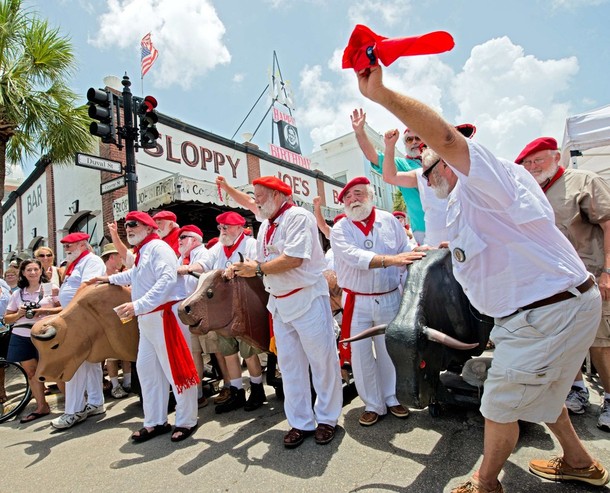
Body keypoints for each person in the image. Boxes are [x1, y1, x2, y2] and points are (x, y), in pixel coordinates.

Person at [355, 63, 608, 491]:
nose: (426, 176)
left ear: (447, 163)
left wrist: (382, 96)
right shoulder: (463, 200)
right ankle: (579, 460)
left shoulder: (481, 177)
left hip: (544, 315)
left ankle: (485, 482)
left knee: (498, 405)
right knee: (545, 393)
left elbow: (448, 140)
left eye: (429, 167)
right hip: (541, 313)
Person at [217, 175, 343, 449]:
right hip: (280, 302)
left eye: (260, 195)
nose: (256, 200)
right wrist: (227, 189)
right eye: (255, 195)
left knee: (322, 362)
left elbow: (295, 258)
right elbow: (251, 211)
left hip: (307, 298)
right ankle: (300, 422)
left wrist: (258, 269)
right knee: (290, 366)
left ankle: (327, 419)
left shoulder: (299, 216)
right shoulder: (266, 224)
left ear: (278, 195)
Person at [516, 136, 610, 431]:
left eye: (538, 160)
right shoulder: (528, 192)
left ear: (557, 158)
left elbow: (608, 223)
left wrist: (608, 270)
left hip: (590, 278)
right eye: (527, 163)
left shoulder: (583, 181)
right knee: (564, 342)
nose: (532, 166)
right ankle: (577, 390)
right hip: (550, 285)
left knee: (600, 343)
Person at [93, 211, 199, 443]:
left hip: (164, 317)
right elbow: (137, 275)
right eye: (127, 225)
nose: (129, 228)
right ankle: (155, 421)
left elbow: (167, 279)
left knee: (176, 371)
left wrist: (138, 304)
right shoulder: (144, 251)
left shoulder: (158, 248)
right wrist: (109, 279)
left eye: (134, 225)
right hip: (149, 319)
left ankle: (187, 420)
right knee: (148, 372)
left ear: (150, 228)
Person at [331, 177, 424, 426]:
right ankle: (372, 404)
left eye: (359, 194)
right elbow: (353, 256)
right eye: (348, 197)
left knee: (389, 351)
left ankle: (392, 398)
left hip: (389, 296)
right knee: (361, 356)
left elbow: (406, 250)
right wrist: (390, 260)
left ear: (370, 196)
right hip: (357, 300)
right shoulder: (340, 228)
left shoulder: (389, 220)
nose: (353, 200)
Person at [196, 212, 266, 414]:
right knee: (228, 352)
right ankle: (236, 391)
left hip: (245, 307)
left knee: (248, 352)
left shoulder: (251, 244)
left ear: (238, 227)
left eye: (225, 227)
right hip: (224, 311)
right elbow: (204, 264)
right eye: (220, 227)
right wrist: (187, 268)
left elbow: (257, 266)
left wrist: (236, 268)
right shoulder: (218, 248)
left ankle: (257, 389)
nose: (222, 230)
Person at [51, 233, 107, 430]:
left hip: (81, 318)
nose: (66, 249)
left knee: (74, 362)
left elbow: (87, 287)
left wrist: (68, 311)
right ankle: (95, 402)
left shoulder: (90, 260)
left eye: (70, 245)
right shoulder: (74, 263)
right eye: (65, 246)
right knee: (89, 362)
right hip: (77, 317)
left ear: (83, 244)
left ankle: (73, 410)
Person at [174, 224, 231, 408]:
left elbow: (202, 266)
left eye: (183, 237)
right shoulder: (180, 257)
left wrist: (187, 268)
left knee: (217, 350)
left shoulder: (202, 252)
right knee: (194, 353)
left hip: (206, 310)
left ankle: (230, 385)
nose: (179, 240)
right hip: (189, 311)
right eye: (179, 237)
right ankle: (197, 392)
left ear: (194, 239)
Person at [351, 107, 426, 244]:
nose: (414, 141)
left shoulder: (436, 160)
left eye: (418, 138)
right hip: (424, 230)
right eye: (409, 139)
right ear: (405, 144)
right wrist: (360, 132)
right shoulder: (402, 164)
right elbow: (372, 156)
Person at [4, 259, 61, 423]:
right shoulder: (17, 293)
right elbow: (7, 319)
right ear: (22, 273)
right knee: (31, 373)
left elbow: (63, 308)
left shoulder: (50, 288)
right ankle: (42, 406)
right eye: (29, 270)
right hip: (21, 336)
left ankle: (72, 407)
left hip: (45, 334)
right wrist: (19, 314)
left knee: (54, 370)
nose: (33, 273)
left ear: (40, 271)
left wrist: (43, 310)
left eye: (36, 269)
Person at [100, 243, 132, 399]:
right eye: (119, 256)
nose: (122, 259)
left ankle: (127, 382)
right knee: (112, 353)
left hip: (124, 315)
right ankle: (115, 385)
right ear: (112, 257)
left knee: (125, 349)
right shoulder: (101, 274)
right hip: (108, 318)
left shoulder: (122, 274)